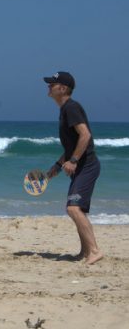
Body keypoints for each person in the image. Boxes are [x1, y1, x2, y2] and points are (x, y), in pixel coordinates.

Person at [44, 71, 103, 265]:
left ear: (63, 88)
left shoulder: (71, 108)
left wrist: (75, 160)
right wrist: (59, 165)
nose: (49, 87)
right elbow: (71, 146)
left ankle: (94, 251)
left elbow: (85, 135)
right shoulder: (65, 110)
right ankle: (85, 252)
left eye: (52, 84)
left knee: (73, 208)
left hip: (87, 166)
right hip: (81, 166)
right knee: (75, 209)